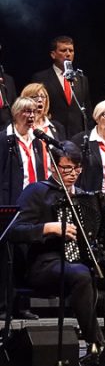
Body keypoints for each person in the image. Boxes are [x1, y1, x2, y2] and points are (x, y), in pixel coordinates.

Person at [8, 141, 105, 359]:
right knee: (81, 274)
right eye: (66, 168)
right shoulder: (37, 191)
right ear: (53, 167)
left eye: (77, 168)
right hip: (46, 264)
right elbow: (13, 230)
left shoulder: (85, 197)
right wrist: (48, 228)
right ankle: (94, 341)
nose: (72, 174)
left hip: (85, 266)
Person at [0, 97, 45, 321]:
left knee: (26, 255)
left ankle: (22, 305)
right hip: (11, 203)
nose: (31, 116)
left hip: (32, 204)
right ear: (16, 114)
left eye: (33, 112)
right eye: (26, 112)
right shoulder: (5, 140)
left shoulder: (36, 141)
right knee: (7, 255)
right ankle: (3, 305)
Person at [32, 36, 93, 138]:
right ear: (53, 54)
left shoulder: (81, 79)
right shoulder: (40, 78)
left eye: (71, 51)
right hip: (53, 134)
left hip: (78, 136)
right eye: (63, 50)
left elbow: (88, 110)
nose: (68, 54)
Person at [21, 82, 66, 179]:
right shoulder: (21, 128)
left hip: (54, 181)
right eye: (34, 97)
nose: (40, 100)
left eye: (43, 96)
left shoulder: (57, 127)